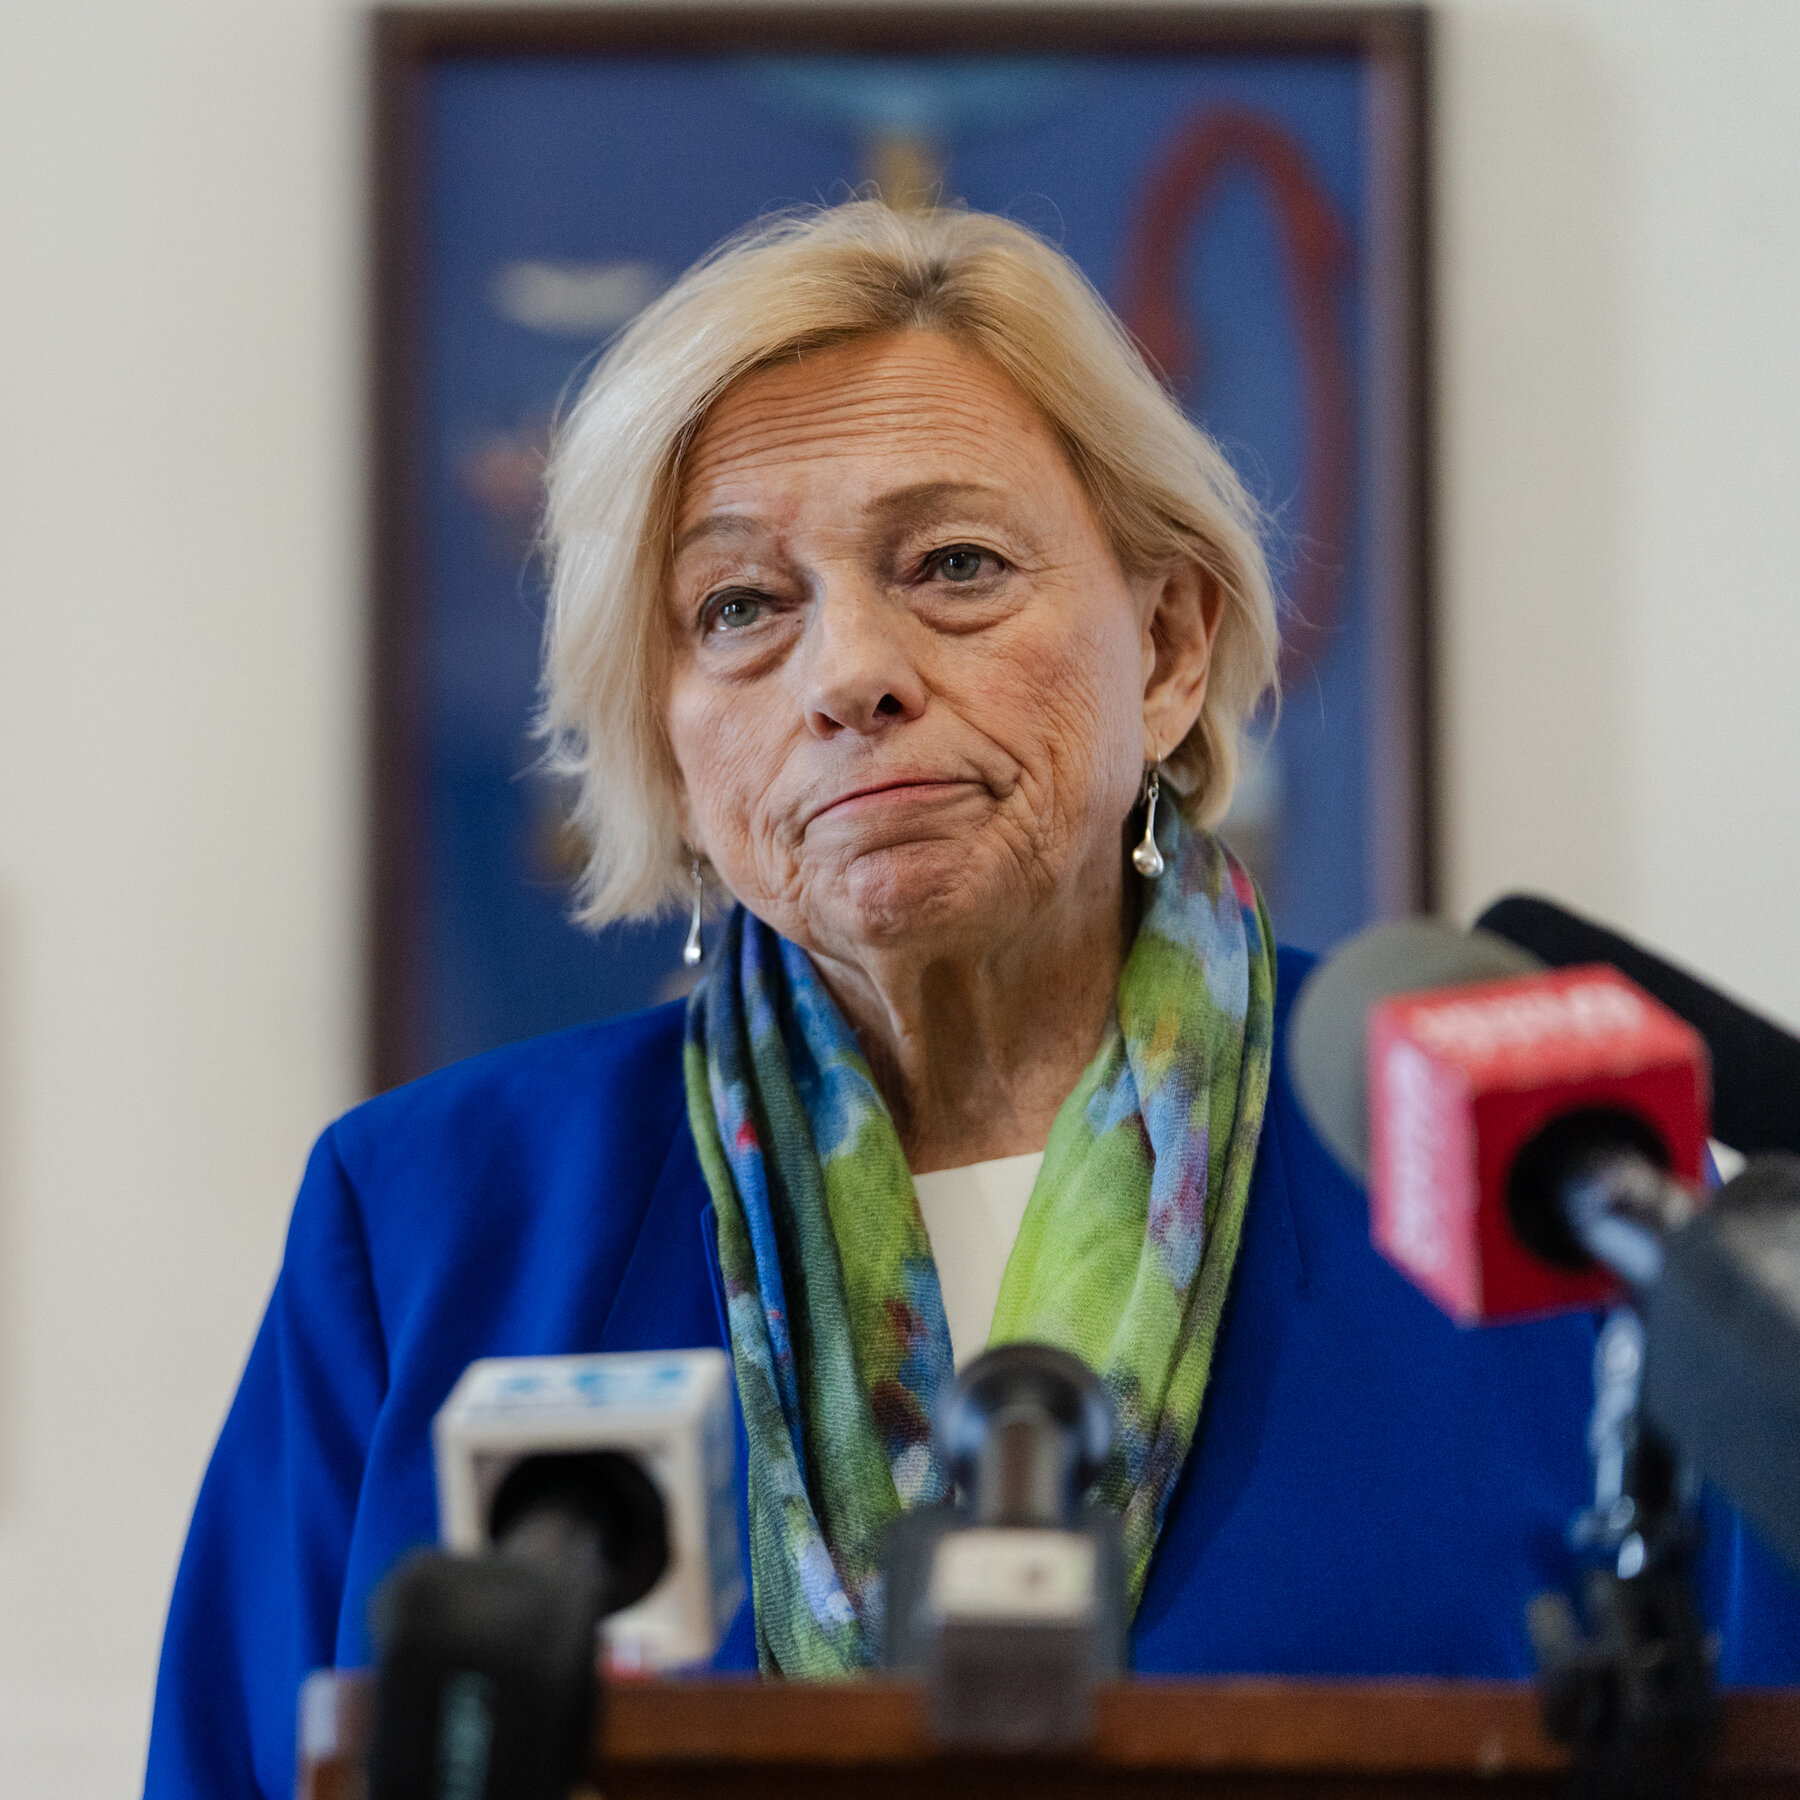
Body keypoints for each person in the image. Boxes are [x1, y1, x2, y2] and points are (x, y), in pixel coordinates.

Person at [144, 202, 1800, 1797]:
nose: (850, 673)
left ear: (1167, 646)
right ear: (663, 733)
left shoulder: (1552, 1188)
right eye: (739, 607)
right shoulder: (428, 1222)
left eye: (952, 564)